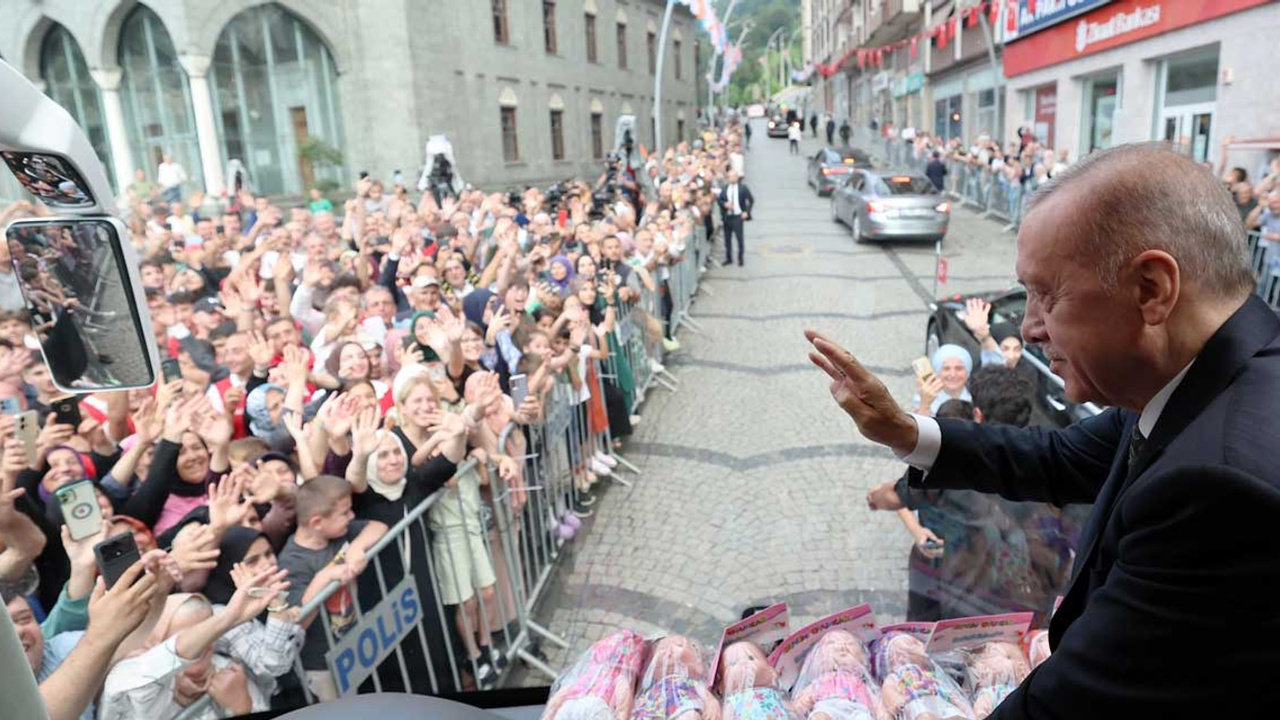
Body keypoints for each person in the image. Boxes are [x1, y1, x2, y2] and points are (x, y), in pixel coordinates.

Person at [807, 142, 1280, 716]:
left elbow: (1071, 704)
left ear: (1152, 289)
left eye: (1047, 295)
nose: (1029, 328)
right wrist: (907, 432)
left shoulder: (1219, 488)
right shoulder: (1201, 376)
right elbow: (1061, 458)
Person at [717, 170, 753, 268]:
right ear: (728, 178)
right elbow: (719, 200)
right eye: (730, 176)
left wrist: (746, 212)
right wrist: (724, 204)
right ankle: (729, 258)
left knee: (739, 238)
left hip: (738, 216)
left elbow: (751, 200)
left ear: (737, 177)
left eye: (734, 176)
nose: (732, 178)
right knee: (727, 239)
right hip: (727, 217)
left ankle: (740, 258)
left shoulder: (743, 188)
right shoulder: (724, 189)